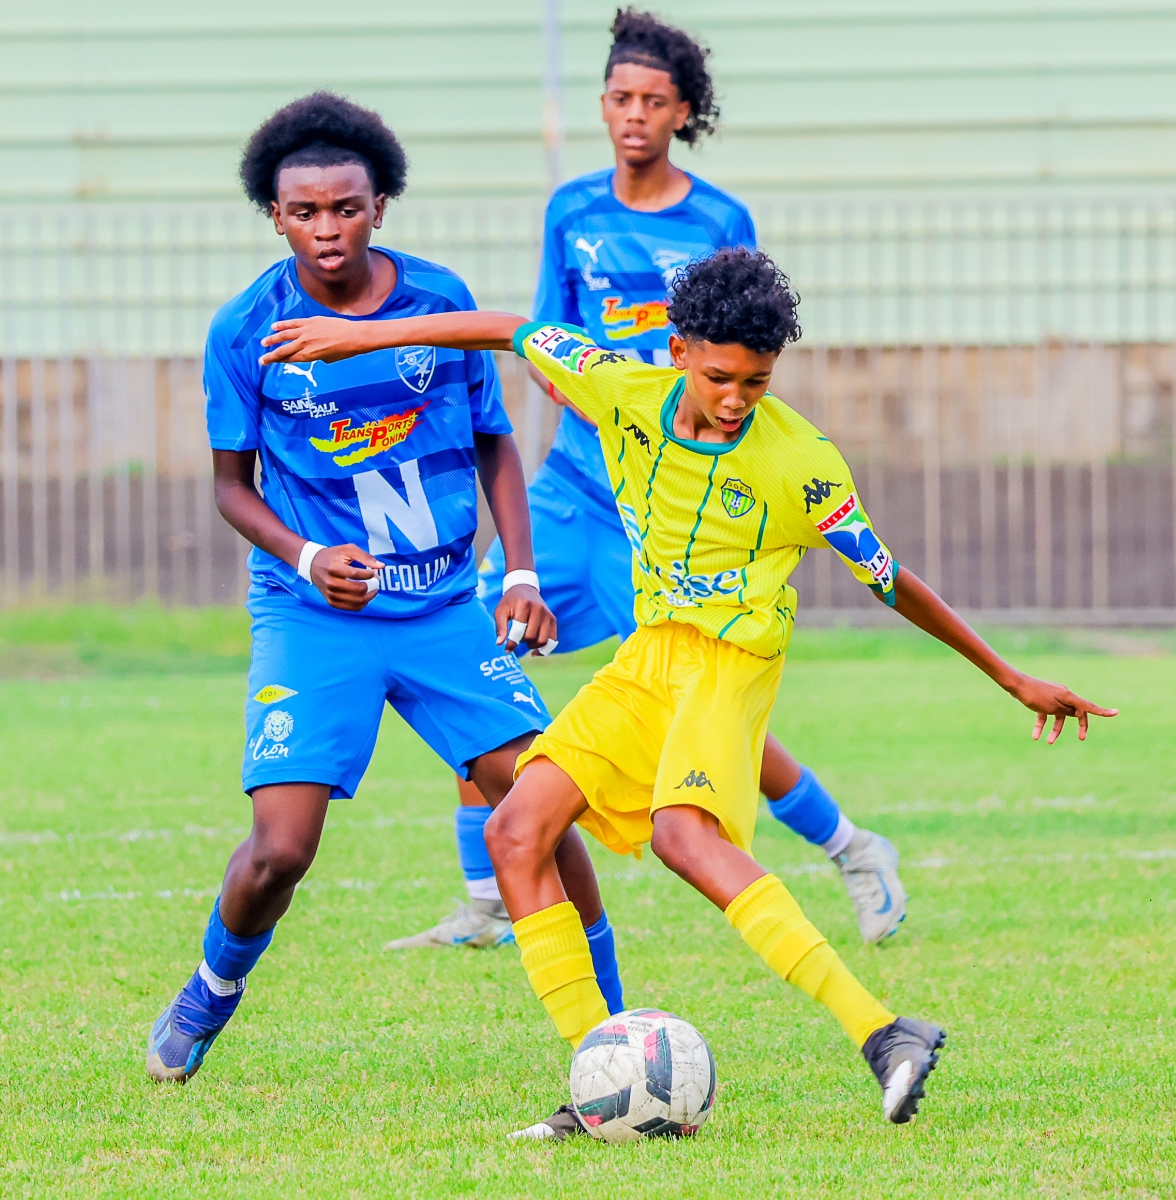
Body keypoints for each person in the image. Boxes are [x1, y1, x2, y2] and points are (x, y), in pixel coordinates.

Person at [257, 247, 1118, 1135]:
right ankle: (601, 1084)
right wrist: (360, 337)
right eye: (720, 377)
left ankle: (883, 1031)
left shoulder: (803, 463)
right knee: (515, 831)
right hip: (650, 657)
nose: (738, 398)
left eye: (758, 380)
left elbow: (889, 579)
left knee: (682, 835)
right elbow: (511, 330)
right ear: (677, 352)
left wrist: (1011, 676)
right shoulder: (619, 389)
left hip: (730, 662)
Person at [390, 8, 906, 957]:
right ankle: (486, 896)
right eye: (621, 97)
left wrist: (669, 420)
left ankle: (851, 846)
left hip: (669, 516)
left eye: (654, 101)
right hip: (573, 487)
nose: (635, 114)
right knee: (477, 653)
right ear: (602, 105)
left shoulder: (719, 221)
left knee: (697, 713)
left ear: (683, 114)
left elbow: (735, 346)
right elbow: (540, 332)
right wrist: (590, 392)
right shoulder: (571, 209)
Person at [146, 92, 625, 1082]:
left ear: (379, 207)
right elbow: (231, 489)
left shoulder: (438, 301)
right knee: (281, 849)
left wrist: (520, 570)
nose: (327, 229)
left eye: (346, 208)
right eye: (304, 213)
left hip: (444, 609)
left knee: (540, 804)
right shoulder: (245, 328)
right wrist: (306, 557)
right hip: (316, 614)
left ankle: (615, 1030)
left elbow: (495, 441)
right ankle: (211, 988)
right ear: (275, 218)